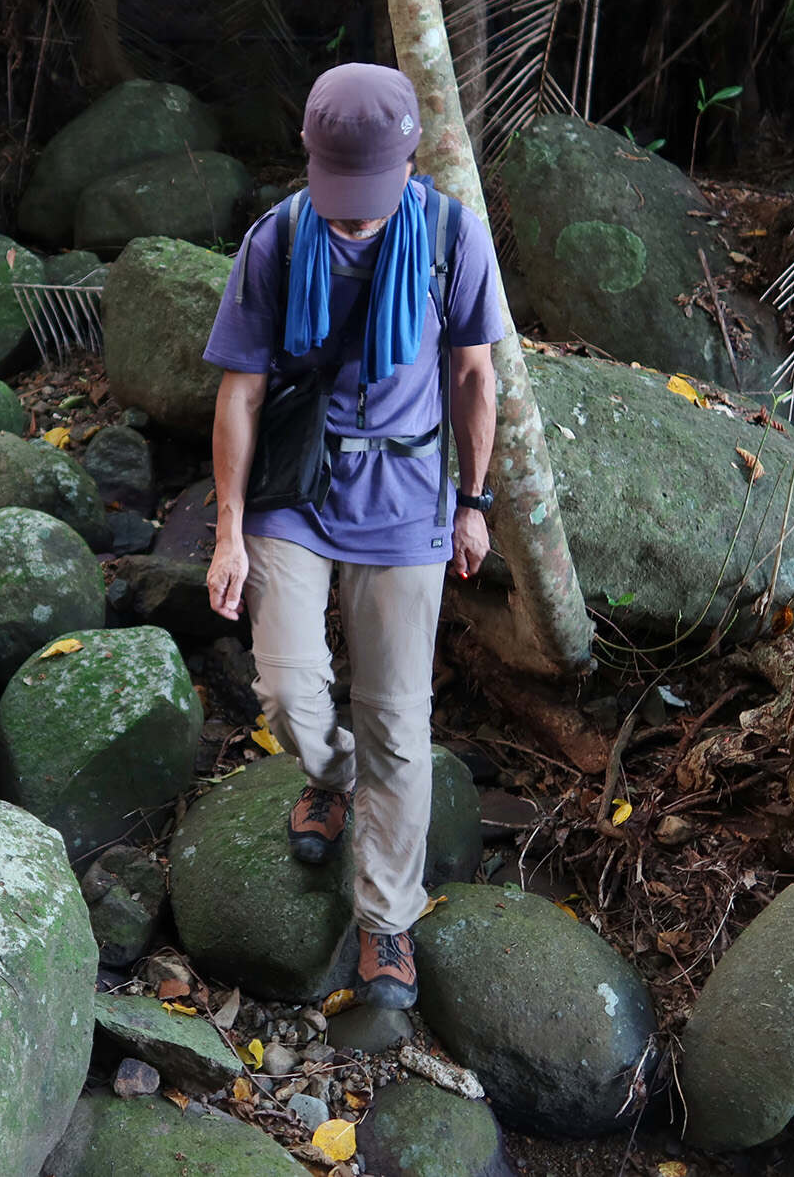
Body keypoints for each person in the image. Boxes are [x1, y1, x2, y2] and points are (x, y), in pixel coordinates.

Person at [201, 62, 512, 1010]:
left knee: (398, 725)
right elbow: (241, 391)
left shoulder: (453, 236)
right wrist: (228, 532)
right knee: (291, 690)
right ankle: (330, 780)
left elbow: (474, 378)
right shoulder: (281, 237)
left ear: (409, 163)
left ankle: (386, 924)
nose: (352, 219)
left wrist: (475, 501)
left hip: (410, 495)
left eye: (367, 201)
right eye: (339, 198)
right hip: (298, 488)